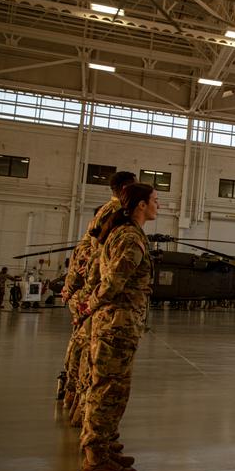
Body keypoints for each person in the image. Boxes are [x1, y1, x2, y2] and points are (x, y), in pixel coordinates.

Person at [79, 182, 158, 471]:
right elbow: (113, 282)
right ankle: (95, 459)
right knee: (107, 390)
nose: (157, 205)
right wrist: (90, 305)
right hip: (117, 325)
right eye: (154, 200)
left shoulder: (126, 233)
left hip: (120, 325)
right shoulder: (129, 237)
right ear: (140, 205)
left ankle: (105, 447)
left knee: (114, 390)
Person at [64, 173, 137, 426]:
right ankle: (90, 429)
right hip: (100, 297)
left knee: (86, 353)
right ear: (127, 188)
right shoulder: (118, 211)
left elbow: (85, 252)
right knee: (101, 368)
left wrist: (73, 287)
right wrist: (90, 297)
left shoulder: (106, 211)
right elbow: (97, 257)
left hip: (90, 291)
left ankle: (77, 406)